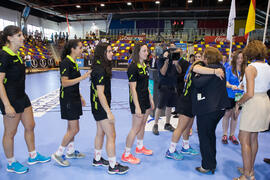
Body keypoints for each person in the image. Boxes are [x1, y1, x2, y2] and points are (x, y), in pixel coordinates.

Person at [0, 25, 50, 174]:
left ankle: (33, 155)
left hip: (22, 96)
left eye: (22, 35)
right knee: (10, 132)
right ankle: (11, 163)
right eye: (19, 35)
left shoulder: (17, 54)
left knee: (30, 125)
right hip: (10, 99)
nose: (23, 38)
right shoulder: (4, 55)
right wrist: (7, 105)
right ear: (9, 38)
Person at [166, 51, 225, 160]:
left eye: (200, 56)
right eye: (197, 57)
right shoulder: (199, 66)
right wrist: (215, 71)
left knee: (188, 127)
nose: (199, 58)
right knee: (181, 127)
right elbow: (196, 69)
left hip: (193, 102)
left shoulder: (200, 67)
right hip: (186, 101)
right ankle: (171, 150)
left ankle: (185, 146)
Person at [234, 40, 270, 180]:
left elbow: (249, 93)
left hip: (253, 103)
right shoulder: (267, 66)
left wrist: (238, 103)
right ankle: (249, 169)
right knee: (253, 137)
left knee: (244, 138)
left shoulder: (250, 68)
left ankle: (246, 175)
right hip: (265, 101)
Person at [90, 43, 129, 174]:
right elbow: (100, 93)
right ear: (103, 53)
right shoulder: (100, 69)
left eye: (112, 51)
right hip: (101, 106)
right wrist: (108, 112)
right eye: (109, 51)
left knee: (100, 132)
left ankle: (97, 159)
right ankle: (113, 166)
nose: (112, 53)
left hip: (97, 105)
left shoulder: (101, 66)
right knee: (111, 135)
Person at [51, 39, 91, 166]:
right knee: (74, 129)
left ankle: (70, 151)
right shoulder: (66, 63)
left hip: (74, 97)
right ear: (72, 49)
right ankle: (58, 153)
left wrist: (80, 96)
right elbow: (65, 82)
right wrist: (83, 77)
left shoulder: (73, 62)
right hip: (67, 99)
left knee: (71, 128)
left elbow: (74, 82)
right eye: (80, 47)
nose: (82, 50)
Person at [191, 47, 230, 174]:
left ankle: (207, 165)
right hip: (218, 109)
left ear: (207, 58)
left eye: (203, 56)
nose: (202, 59)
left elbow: (197, 82)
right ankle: (211, 163)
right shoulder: (220, 68)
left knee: (205, 137)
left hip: (208, 110)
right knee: (210, 135)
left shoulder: (212, 70)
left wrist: (198, 75)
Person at [122, 43, 154, 164]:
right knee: (135, 128)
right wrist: (137, 107)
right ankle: (126, 154)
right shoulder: (133, 67)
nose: (147, 53)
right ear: (138, 52)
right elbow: (133, 89)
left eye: (147, 51)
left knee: (143, 125)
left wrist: (151, 99)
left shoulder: (145, 65)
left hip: (145, 99)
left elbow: (146, 86)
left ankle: (139, 147)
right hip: (137, 101)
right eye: (144, 51)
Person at [152, 47, 182, 135]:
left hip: (173, 85)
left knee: (170, 106)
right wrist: (166, 61)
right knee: (160, 106)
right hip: (164, 86)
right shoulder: (161, 59)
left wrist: (176, 64)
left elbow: (179, 71)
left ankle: (167, 123)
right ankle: (155, 124)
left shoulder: (175, 59)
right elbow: (163, 72)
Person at [222, 50, 246, 145]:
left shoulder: (246, 69)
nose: (240, 60)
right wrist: (232, 86)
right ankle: (225, 134)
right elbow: (225, 82)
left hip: (240, 96)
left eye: (242, 58)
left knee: (236, 115)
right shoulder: (229, 68)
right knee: (227, 114)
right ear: (235, 58)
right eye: (238, 58)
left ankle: (232, 135)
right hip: (230, 95)